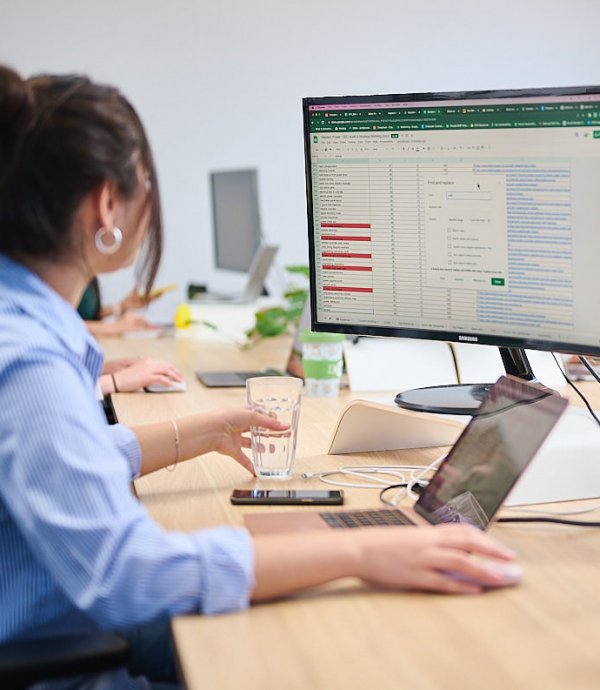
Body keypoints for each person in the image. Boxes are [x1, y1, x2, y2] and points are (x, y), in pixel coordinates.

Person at [0, 65, 521, 689]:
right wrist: (363, 551)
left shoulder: (21, 321)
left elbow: (53, 467)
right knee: (337, 656)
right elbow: (127, 574)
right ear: (106, 201)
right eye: (145, 182)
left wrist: (196, 430)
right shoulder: (27, 357)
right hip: (59, 654)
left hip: (59, 619)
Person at [78, 276, 160, 337]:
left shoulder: (89, 276)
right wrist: (115, 327)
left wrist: (121, 306)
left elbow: (87, 314)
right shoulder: (68, 273)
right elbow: (67, 323)